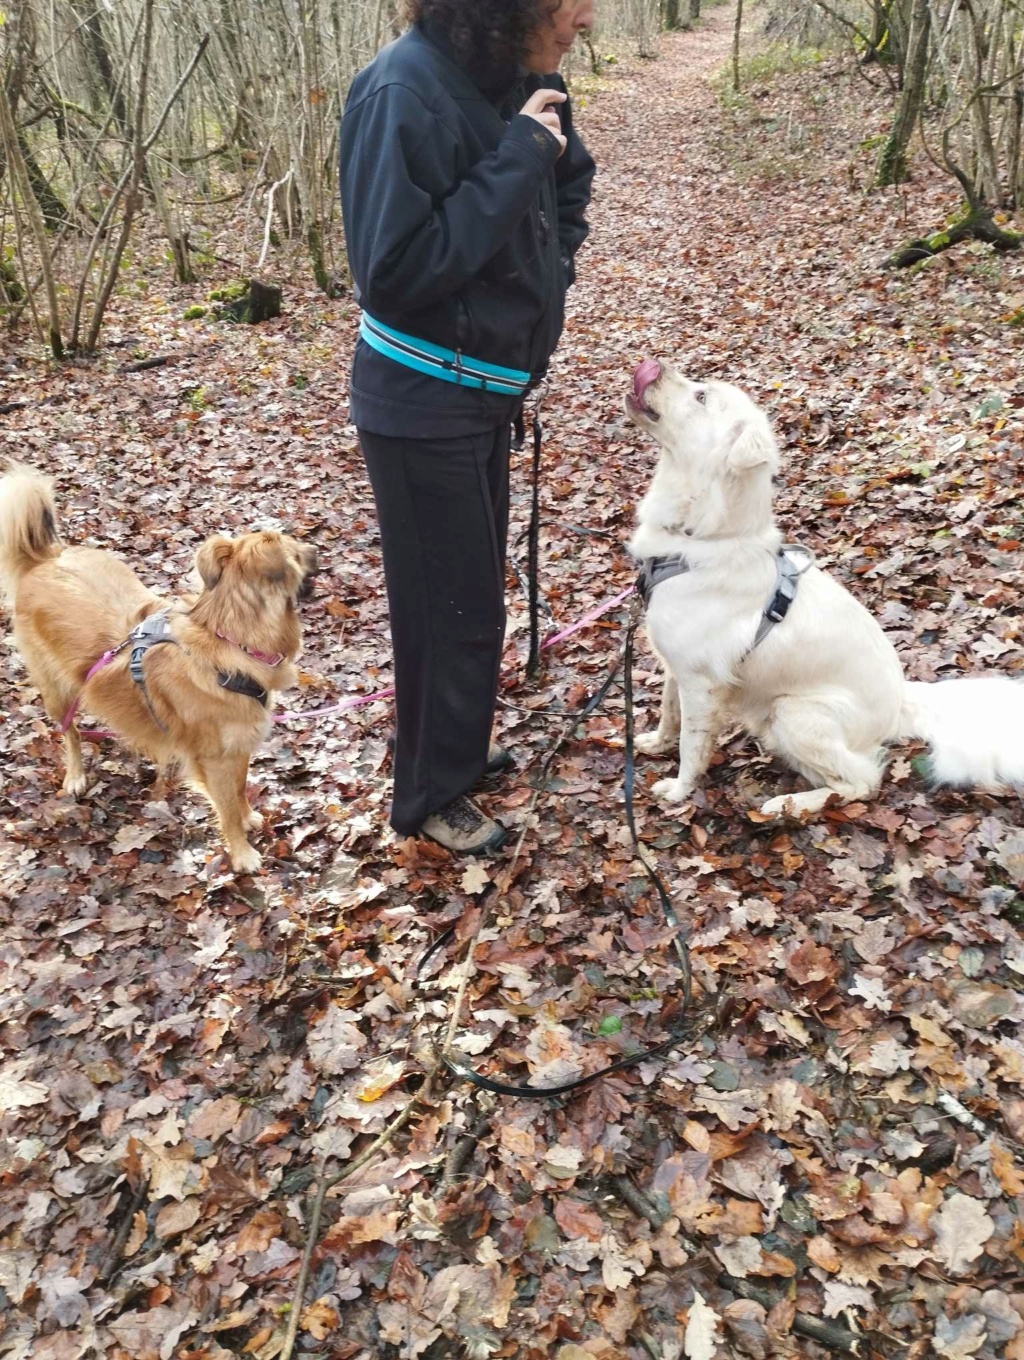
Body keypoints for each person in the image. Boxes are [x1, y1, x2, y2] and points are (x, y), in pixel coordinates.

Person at [340, 0, 596, 854]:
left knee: (472, 596)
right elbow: (395, 271)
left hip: (486, 394)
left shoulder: (520, 79)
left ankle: (449, 750)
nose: (587, 18)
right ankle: (427, 798)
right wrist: (518, 156)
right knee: (446, 611)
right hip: (419, 403)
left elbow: (570, 182)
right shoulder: (399, 94)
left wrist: (549, 269)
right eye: (572, 1)